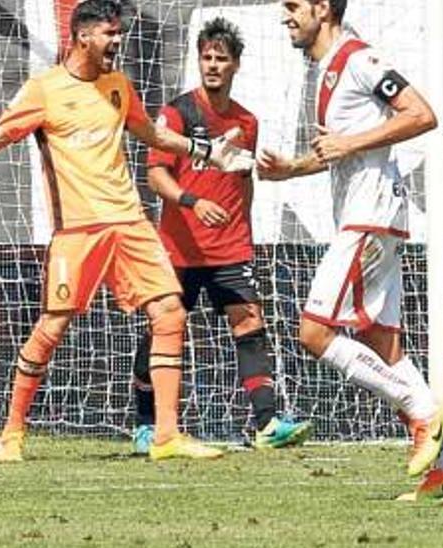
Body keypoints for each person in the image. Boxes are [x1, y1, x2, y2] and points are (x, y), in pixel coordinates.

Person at [0, 0, 254, 462]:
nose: (118, 42)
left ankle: (166, 436)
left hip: (129, 223)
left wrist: (206, 153)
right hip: (78, 232)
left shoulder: (118, 86)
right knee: (54, 324)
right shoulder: (44, 91)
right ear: (83, 36)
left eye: (119, 34)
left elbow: (153, 136)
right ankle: (12, 432)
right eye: (109, 34)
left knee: (170, 314)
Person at [258, 0, 443, 499]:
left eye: (294, 6)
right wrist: (291, 168)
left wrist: (351, 144)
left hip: (369, 217)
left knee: (313, 332)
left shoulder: (359, 58)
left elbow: (422, 114)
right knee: (384, 344)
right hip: (369, 215)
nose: (286, 16)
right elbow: (341, 149)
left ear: (322, 8)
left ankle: (423, 412)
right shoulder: (328, 70)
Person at [131, 17, 311, 454]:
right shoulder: (177, 113)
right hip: (180, 247)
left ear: (236, 65)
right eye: (206, 58)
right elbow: (156, 176)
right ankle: (144, 423)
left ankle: (267, 423)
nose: (212, 66)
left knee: (249, 322)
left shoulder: (247, 121)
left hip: (229, 249)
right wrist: (193, 202)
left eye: (221, 59)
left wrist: (243, 227)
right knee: (162, 329)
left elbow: (243, 178)